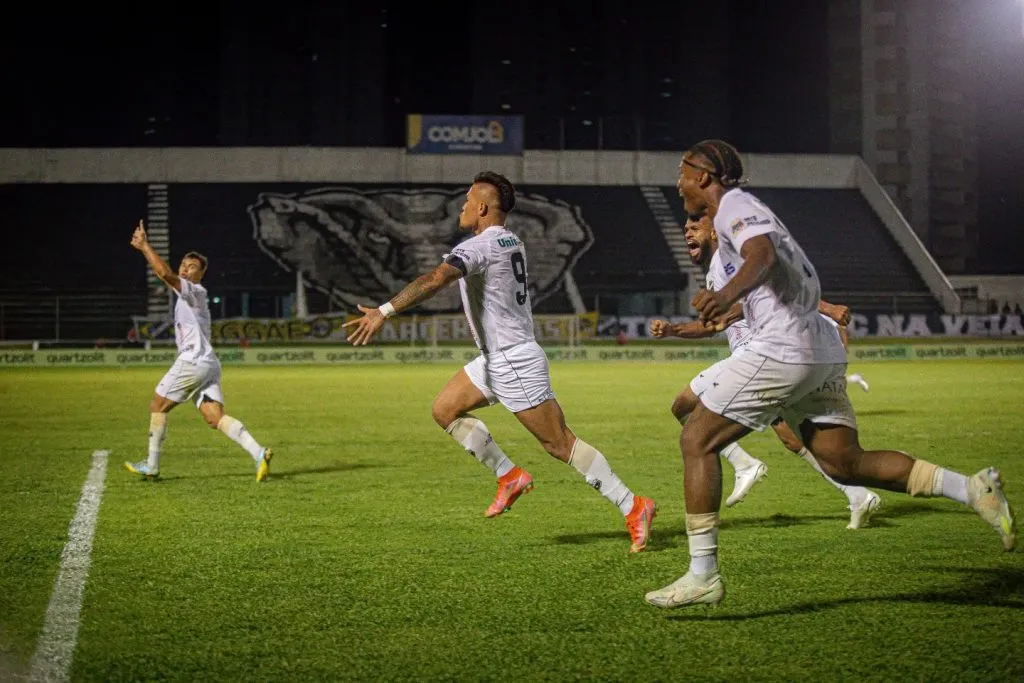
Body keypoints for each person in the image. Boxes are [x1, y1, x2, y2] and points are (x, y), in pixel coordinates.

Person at [645, 139, 1016, 609]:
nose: (677, 182)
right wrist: (716, 311)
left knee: (696, 438)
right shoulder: (741, 217)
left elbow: (762, 257)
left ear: (703, 176)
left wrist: (725, 296)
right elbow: (765, 272)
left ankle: (702, 574)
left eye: (682, 171)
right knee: (843, 462)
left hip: (785, 348)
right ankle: (971, 488)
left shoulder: (733, 205)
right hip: (816, 348)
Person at [343, 171, 657, 552]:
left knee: (560, 444)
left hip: (513, 361)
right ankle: (509, 475)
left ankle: (633, 504)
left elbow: (435, 279)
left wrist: (384, 311)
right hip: (494, 359)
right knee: (445, 409)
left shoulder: (481, 246)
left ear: (482, 207)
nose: (460, 207)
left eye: (466, 200)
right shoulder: (510, 240)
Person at [649, 213, 882, 528]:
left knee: (684, 406)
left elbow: (785, 288)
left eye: (694, 227)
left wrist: (828, 309)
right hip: (764, 359)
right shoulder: (716, 270)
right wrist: (675, 330)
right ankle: (858, 496)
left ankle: (744, 466)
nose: (687, 232)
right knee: (793, 438)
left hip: (762, 356)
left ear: (713, 232)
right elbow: (713, 325)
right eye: (685, 229)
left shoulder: (734, 260)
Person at [124, 220, 273, 481]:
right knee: (215, 417)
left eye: (192, 267)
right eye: (184, 264)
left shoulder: (195, 291)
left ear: (200, 274)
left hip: (193, 361)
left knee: (158, 404)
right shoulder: (187, 294)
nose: (185, 269)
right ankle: (259, 453)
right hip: (208, 364)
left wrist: (145, 246)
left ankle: (152, 465)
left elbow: (164, 274)